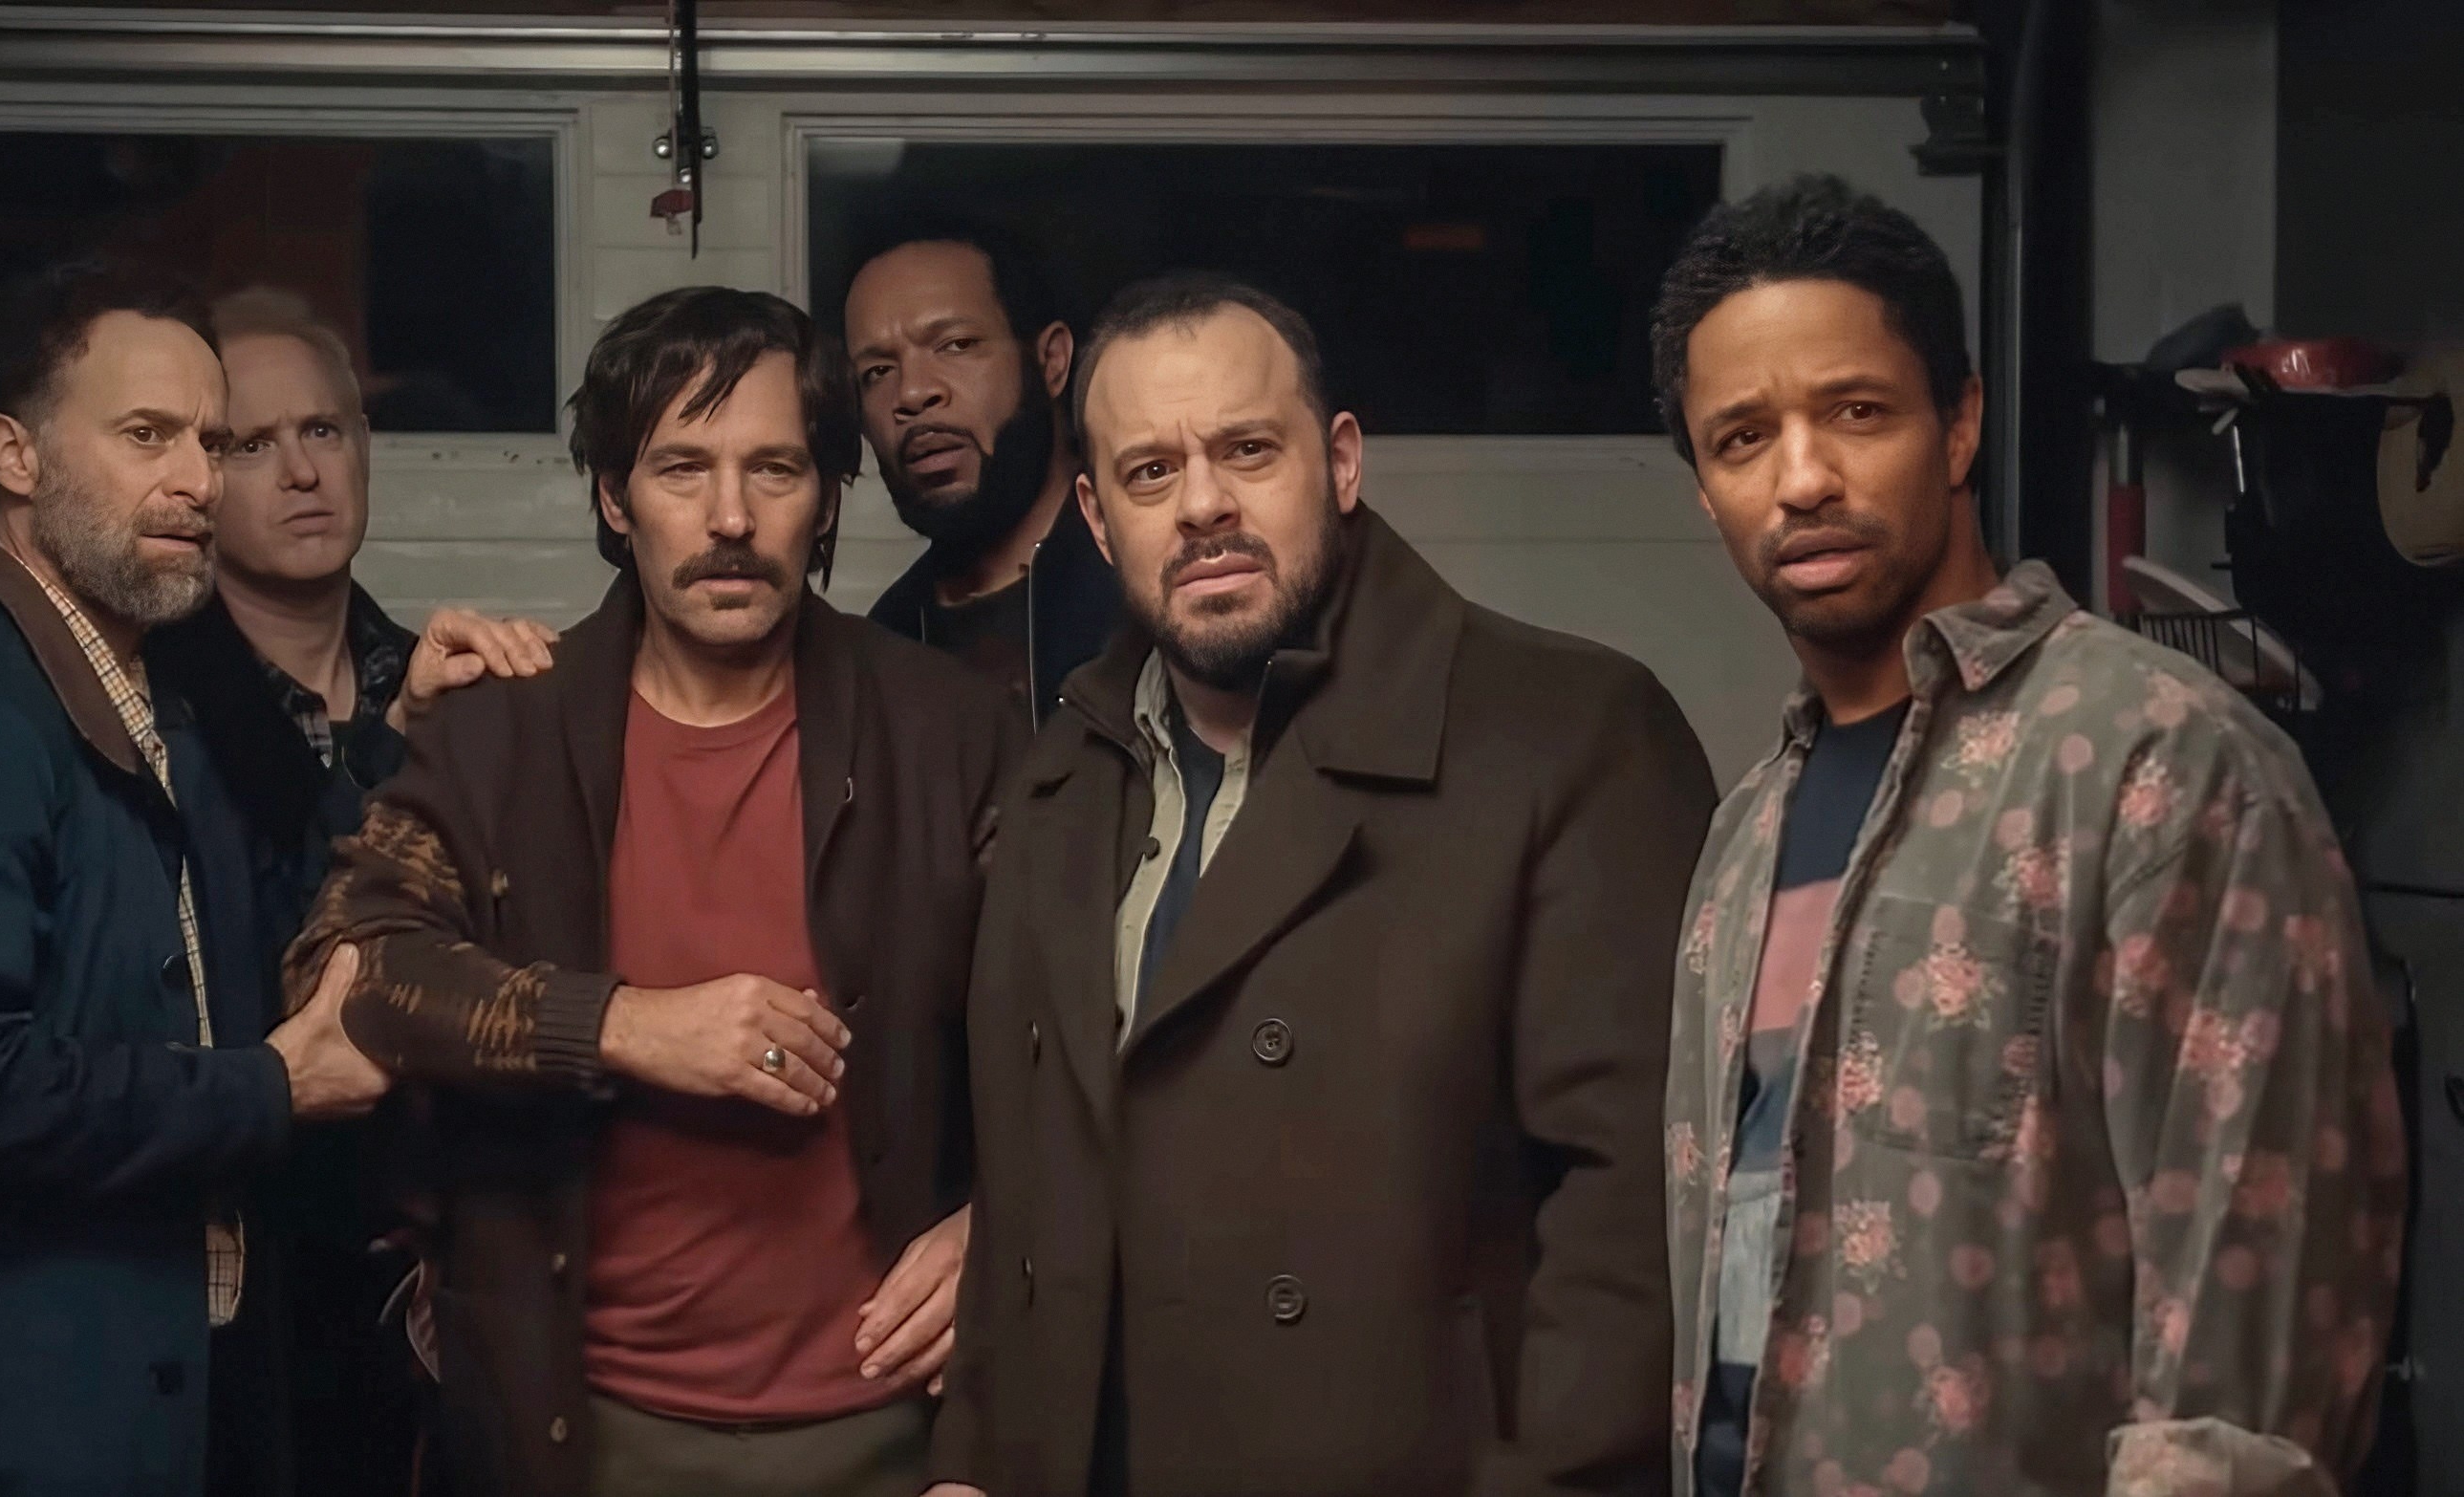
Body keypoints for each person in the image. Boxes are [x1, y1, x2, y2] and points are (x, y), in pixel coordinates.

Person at [1654, 175, 2405, 1497]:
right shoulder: (1740, 837)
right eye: (1740, 438)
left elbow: (2245, 1373)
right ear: (1704, 491)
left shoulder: (2160, 764)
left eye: (1856, 411)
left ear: (1959, 424)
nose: (1803, 477)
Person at [924, 272, 1718, 1497]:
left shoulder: (1569, 735)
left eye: (1247, 450)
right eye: (1147, 474)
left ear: (1340, 463)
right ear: (1093, 515)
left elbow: (1632, 1222)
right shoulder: (1057, 784)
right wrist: (973, 1461)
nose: (1200, 506)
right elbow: (1025, 1198)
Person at [283, 286, 1019, 1497]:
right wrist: (629, 1025)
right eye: (682, 469)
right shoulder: (503, 726)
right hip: (579, 1432)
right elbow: (352, 972)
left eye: (774, 469)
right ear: (616, 499)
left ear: (828, 494)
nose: (730, 517)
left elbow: (1088, 1030)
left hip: (892, 1429)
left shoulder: (949, 733)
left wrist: (1002, 1221)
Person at [0, 260, 388, 1496]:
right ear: (14, 455)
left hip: (151, 1412)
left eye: (209, 439)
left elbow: (254, 924)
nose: (197, 480)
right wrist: (265, 1088)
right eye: (147, 436)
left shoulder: (147, 700)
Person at [145, 287, 553, 1497]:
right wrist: (395, 752)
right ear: (199, 481)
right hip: (244, 1266)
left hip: (439, 1258)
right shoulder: (149, 706)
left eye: (323, 431)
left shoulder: (442, 676)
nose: (300, 472)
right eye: (250, 445)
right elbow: (283, 957)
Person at [845, 215, 1119, 726]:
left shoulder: (1155, 589)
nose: (911, 393)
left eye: (956, 345)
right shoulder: (888, 638)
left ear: (1051, 362)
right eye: (877, 371)